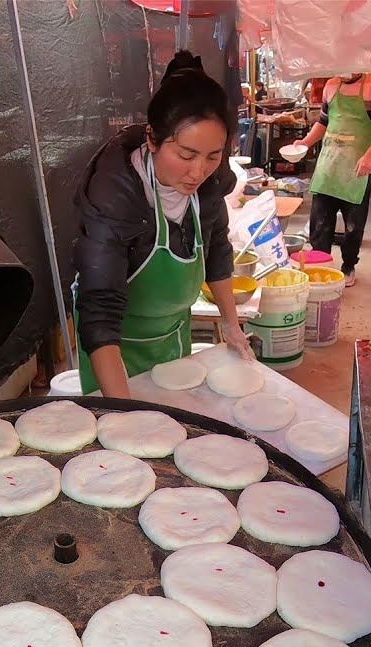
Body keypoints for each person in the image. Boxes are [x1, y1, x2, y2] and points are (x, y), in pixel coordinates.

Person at [72, 51, 253, 399]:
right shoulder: (114, 194)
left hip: (172, 337)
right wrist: (122, 411)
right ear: (152, 139)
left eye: (213, 156)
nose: (198, 172)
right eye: (186, 155)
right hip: (113, 352)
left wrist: (231, 324)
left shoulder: (209, 186)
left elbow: (216, 248)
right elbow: (99, 310)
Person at [286, 72, 371, 287]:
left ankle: (348, 265)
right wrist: (305, 143)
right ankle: (319, 265)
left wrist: (369, 156)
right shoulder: (331, 84)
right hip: (329, 164)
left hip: (358, 166)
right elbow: (323, 122)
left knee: (353, 224)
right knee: (319, 222)